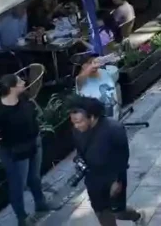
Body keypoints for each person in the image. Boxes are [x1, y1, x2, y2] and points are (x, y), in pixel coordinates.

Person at [66, 97, 143, 226]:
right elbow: (80, 151)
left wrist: (117, 181)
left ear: (92, 117)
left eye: (79, 122)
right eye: (73, 122)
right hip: (93, 177)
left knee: (118, 212)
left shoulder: (114, 129)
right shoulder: (77, 131)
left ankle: (137, 216)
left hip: (113, 176)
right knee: (101, 211)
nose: (76, 126)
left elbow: (122, 158)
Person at [0, 74, 49, 225]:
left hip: (33, 142)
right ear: (12, 87)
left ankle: (41, 203)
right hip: (16, 151)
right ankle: (22, 217)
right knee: (18, 184)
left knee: (35, 177)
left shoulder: (24, 98)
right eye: (20, 81)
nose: (24, 82)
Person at [75, 53, 120, 120]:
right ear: (83, 66)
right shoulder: (81, 80)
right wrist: (91, 66)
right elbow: (80, 80)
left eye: (96, 61)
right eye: (90, 62)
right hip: (96, 122)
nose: (94, 65)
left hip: (113, 117)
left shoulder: (105, 73)